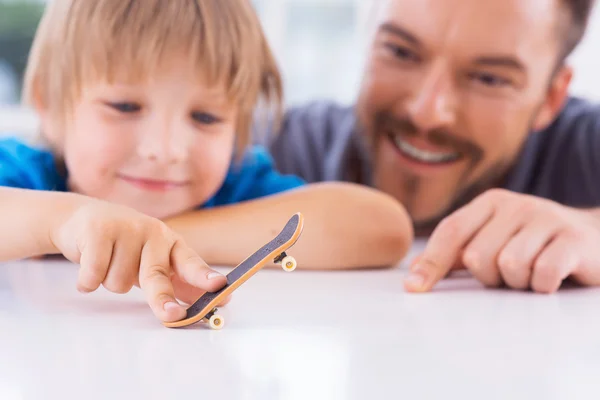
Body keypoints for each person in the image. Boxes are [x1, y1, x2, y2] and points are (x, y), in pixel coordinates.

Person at [0, 0, 415, 322]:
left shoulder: (234, 184)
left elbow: (383, 228)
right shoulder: (29, 175)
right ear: (49, 104)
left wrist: (155, 238)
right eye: (125, 106)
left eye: (206, 117)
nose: (166, 149)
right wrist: (57, 224)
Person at [262, 0, 600, 294]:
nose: (427, 113)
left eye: (489, 78)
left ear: (551, 97)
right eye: (400, 51)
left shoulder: (586, 146)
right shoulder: (273, 146)